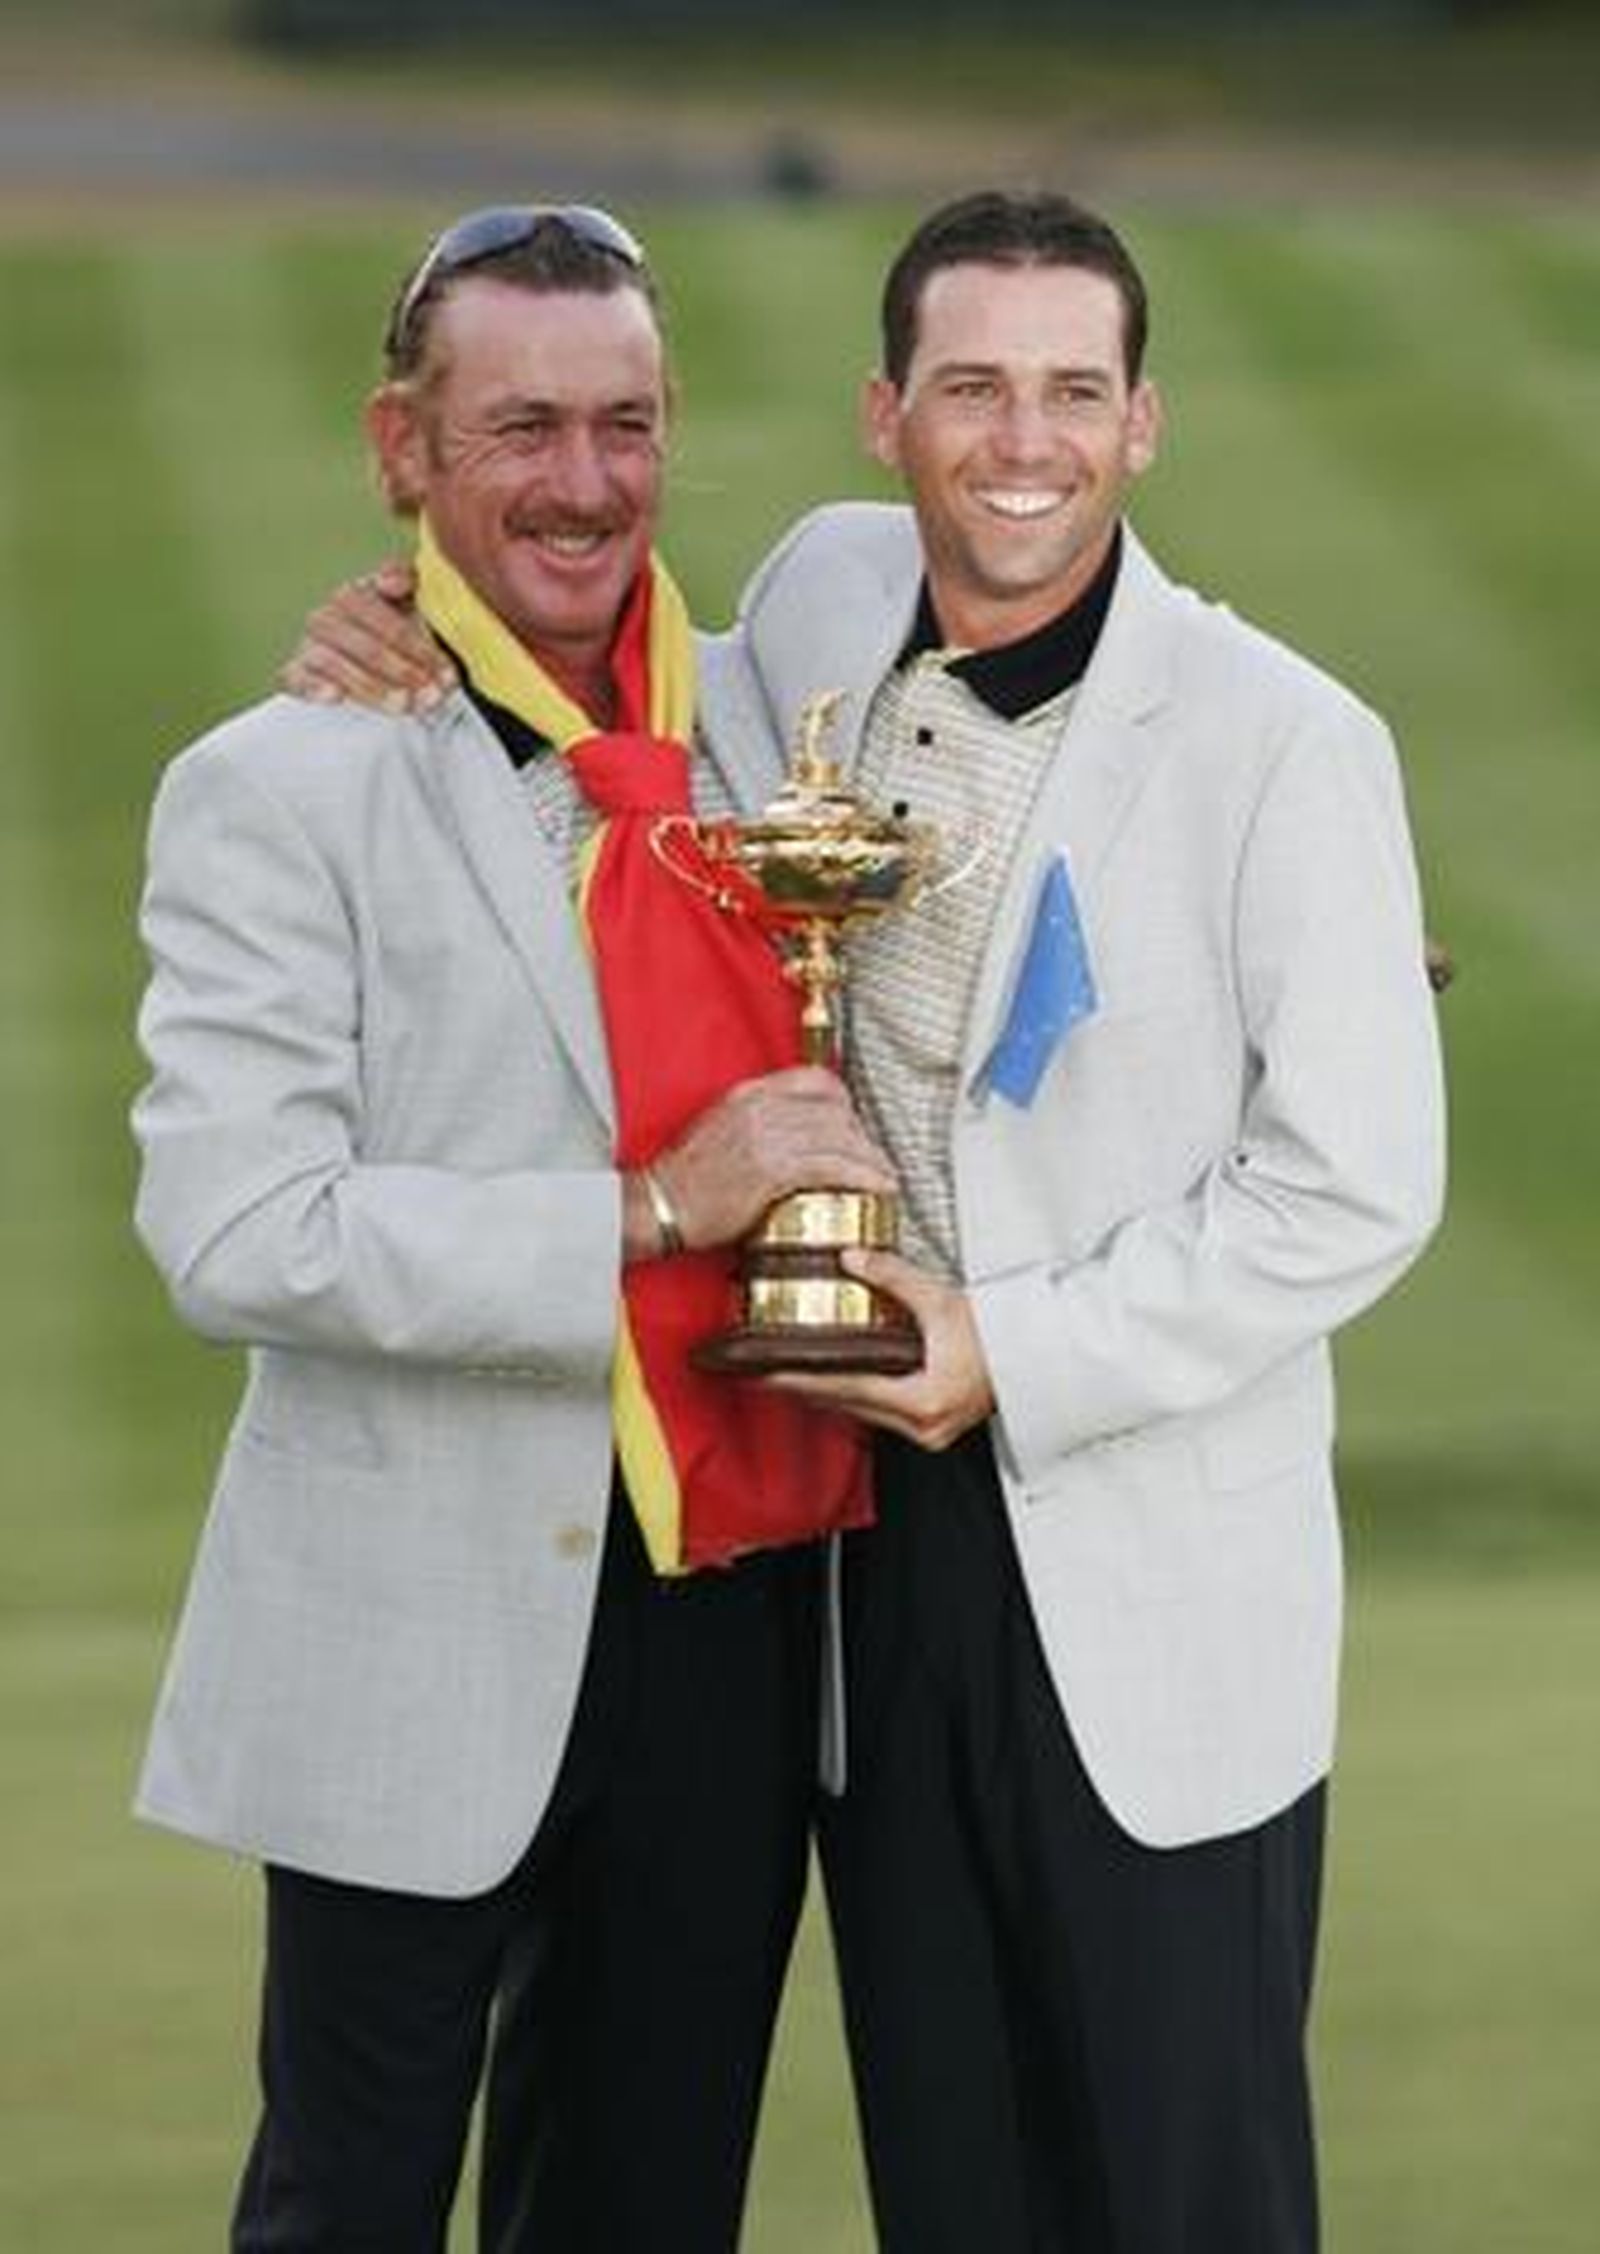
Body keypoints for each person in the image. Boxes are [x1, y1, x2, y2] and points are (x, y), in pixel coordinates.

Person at [288, 189, 1447, 2252]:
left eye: (1072, 391)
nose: (1024, 440)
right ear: (881, 415)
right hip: (858, 1572)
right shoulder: (821, 607)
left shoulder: (1284, 739)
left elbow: (1353, 1183)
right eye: (971, 387)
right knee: (959, 2187)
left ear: (1142, 421)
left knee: (1179, 2202)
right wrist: (392, 629)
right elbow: (619, 733)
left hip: (1142, 1576)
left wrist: (1014, 1344)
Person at [130, 204, 894, 2254]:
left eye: (626, 423)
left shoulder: (780, 730)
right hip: (413, 1600)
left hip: (729, 1610)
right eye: (520, 426)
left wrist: (1312, 949)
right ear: (404, 448)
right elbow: (238, 1229)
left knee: (646, 2205)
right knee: (346, 2204)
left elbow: (1051, 628)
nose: (581, 483)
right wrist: (652, 1210)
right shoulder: (276, 783)